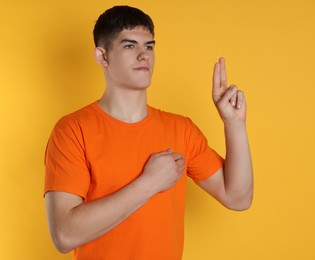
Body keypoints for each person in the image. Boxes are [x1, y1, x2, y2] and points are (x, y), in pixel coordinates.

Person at [44, 5, 253, 260]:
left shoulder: (181, 129)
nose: (144, 55)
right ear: (102, 56)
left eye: (150, 46)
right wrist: (150, 183)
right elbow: (65, 235)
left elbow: (238, 198)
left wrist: (234, 124)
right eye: (130, 46)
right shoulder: (72, 130)